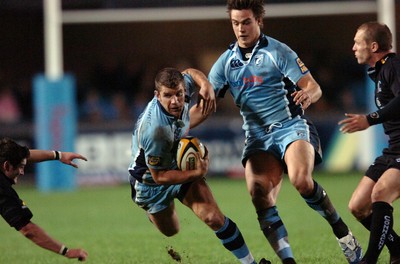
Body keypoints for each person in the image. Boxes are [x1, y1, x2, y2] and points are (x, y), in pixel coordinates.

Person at [203, 0, 363, 263]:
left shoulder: (278, 51)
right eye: (235, 23)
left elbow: (313, 86)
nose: (240, 29)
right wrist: (181, 125)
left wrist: (309, 95)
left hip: (291, 126)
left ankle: (341, 231)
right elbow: (205, 104)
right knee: (259, 195)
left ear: (259, 22)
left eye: (246, 22)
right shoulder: (225, 63)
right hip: (257, 137)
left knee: (301, 180)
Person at [128, 67, 270, 264]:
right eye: (168, 96)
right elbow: (160, 176)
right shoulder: (155, 131)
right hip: (150, 183)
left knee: (214, 218)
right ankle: (152, 215)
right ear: (157, 95)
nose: (175, 101)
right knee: (172, 231)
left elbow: (189, 72)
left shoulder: (180, 88)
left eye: (179, 94)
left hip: (177, 165)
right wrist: (197, 172)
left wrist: (205, 84)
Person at [338, 21, 400, 264]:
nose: (353, 47)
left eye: (357, 42)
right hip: (392, 149)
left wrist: (370, 119)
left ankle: (370, 260)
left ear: (373, 46)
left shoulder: (394, 66)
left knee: (381, 192)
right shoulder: (380, 72)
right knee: (358, 205)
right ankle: (398, 247)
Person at [0, 137, 88, 261]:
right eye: (20, 167)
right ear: (6, 165)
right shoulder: (2, 189)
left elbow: (27, 155)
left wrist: (59, 155)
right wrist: (66, 251)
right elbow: (27, 229)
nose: (22, 172)